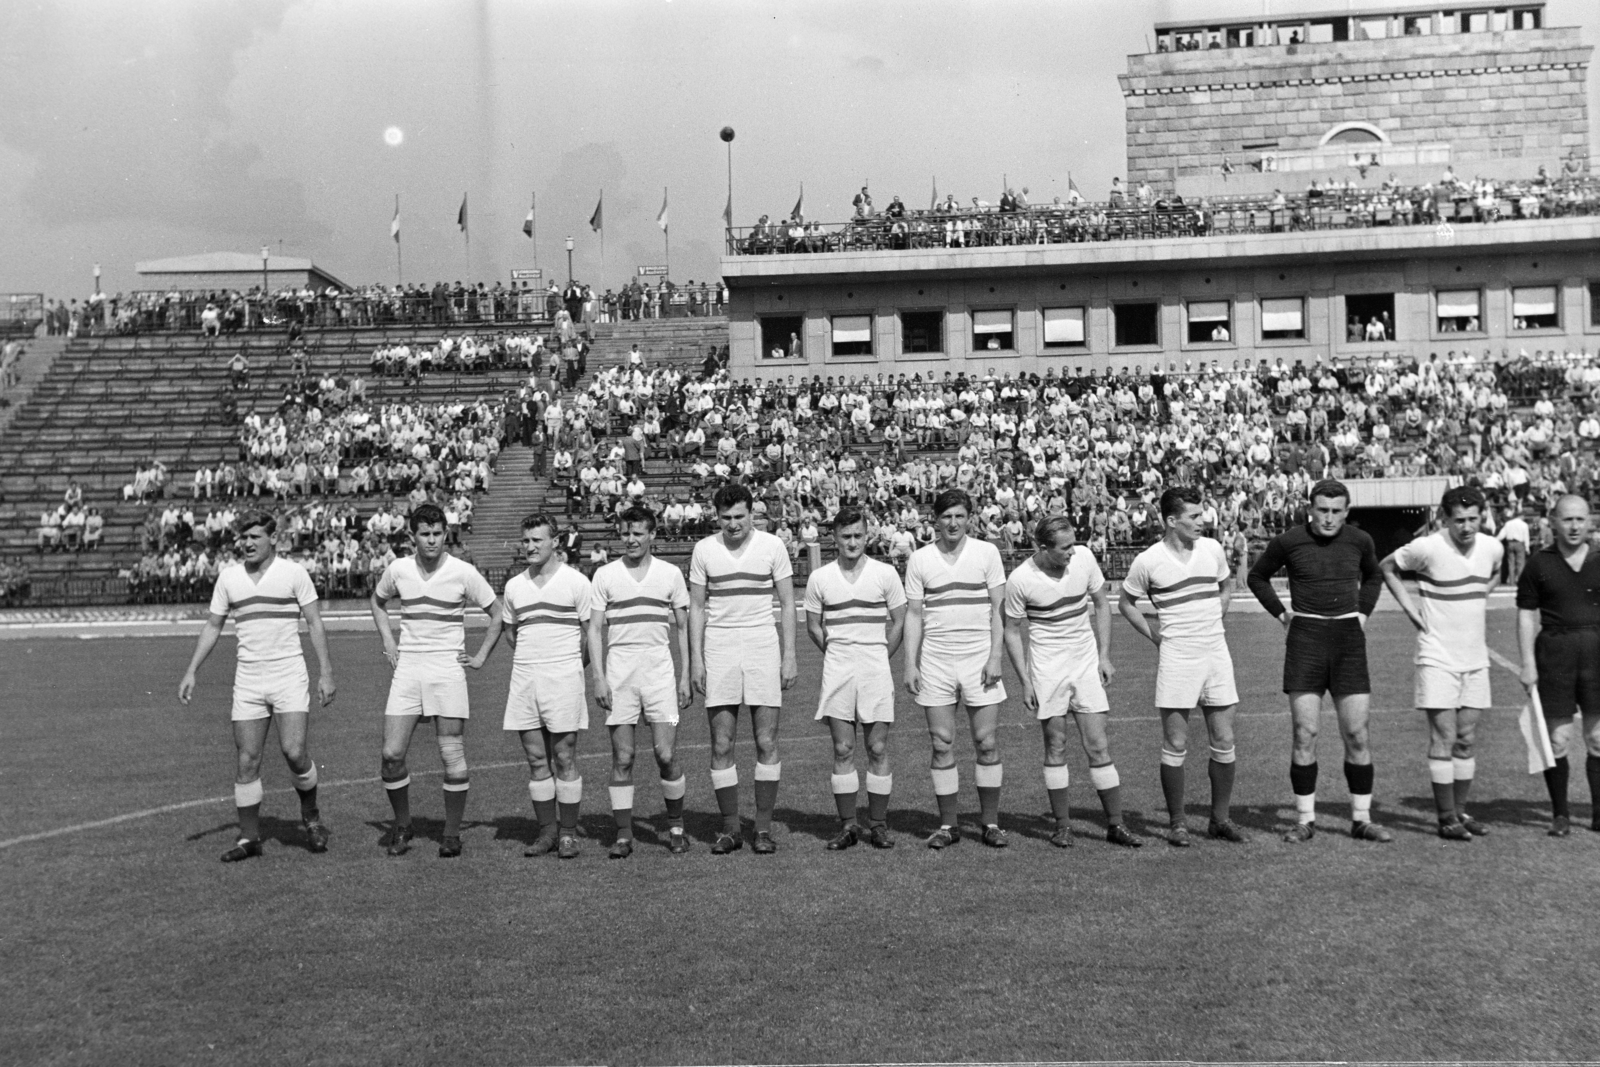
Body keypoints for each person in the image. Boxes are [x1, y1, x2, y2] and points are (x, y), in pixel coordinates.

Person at [178, 509, 337, 862]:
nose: (247, 543)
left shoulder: (293, 573)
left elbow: (314, 622)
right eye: (243, 538)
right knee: (247, 760)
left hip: (288, 674)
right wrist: (192, 670)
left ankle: (311, 819)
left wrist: (325, 672)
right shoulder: (229, 578)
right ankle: (250, 839)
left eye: (255, 537)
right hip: (248, 678)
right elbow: (213, 626)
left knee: (294, 752)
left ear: (273, 539)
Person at [1248, 479, 1389, 843]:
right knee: (1305, 733)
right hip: (1306, 640)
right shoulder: (1289, 541)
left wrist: (1363, 613)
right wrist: (1282, 614)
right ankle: (1305, 819)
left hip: (1348, 641)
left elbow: (1375, 575)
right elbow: (1257, 576)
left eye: (1336, 511)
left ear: (1346, 512)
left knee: (1357, 734)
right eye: (1322, 510)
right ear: (1309, 508)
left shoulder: (1360, 541)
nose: (1328, 519)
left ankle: (1361, 819)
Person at [370, 503, 500, 859]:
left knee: (452, 753)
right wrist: (388, 640)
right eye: (424, 534)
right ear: (413, 537)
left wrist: (480, 656)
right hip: (409, 668)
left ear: (446, 534)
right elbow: (378, 602)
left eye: (437, 534)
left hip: (447, 670)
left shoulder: (463, 572)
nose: (431, 541)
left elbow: (497, 613)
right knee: (391, 754)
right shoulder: (398, 569)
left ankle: (452, 832)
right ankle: (402, 824)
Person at [1119, 487, 1248, 846]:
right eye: (1194, 516)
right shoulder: (1148, 560)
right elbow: (1126, 603)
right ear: (1172, 521)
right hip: (1178, 657)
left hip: (1216, 653)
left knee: (1224, 739)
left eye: (1202, 513)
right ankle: (1177, 823)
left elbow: (1226, 586)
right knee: (1176, 742)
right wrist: (1156, 637)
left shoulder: (1212, 549)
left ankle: (1219, 819)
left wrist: (1217, 613)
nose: (1202, 520)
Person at [1003, 513, 1140, 848]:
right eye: (1064, 548)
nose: (1072, 553)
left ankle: (1116, 825)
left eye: (1073, 544)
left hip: (1085, 664)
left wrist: (1104, 655)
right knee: (1056, 746)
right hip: (1048, 670)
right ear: (1042, 547)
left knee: (1097, 744)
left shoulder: (1084, 558)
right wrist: (1025, 681)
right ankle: (1063, 826)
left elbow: (1102, 605)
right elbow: (1011, 631)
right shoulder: (1021, 580)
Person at [468, 512, 594, 858]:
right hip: (525, 679)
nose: (530, 546)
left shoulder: (576, 581)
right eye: (525, 541)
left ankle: (568, 832)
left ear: (555, 542)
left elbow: (593, 635)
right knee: (537, 759)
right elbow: (512, 634)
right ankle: (547, 832)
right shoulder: (514, 585)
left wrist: (571, 666)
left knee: (564, 757)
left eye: (537, 540)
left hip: (564, 679)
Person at [1380, 486, 1503, 840]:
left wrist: (1480, 595)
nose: (1466, 527)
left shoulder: (1491, 547)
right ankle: (1445, 817)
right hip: (1437, 655)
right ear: (1445, 519)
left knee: (1466, 738)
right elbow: (1387, 567)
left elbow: (1495, 571)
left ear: (1482, 516)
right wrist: (1410, 607)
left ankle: (1461, 813)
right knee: (1444, 736)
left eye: (1473, 519)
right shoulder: (1427, 547)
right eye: (1459, 520)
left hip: (1476, 658)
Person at [689, 483, 798, 854]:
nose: (733, 524)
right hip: (720, 647)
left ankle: (763, 829)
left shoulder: (772, 546)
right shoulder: (704, 549)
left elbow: (786, 602)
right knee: (722, 742)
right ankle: (730, 828)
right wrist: (697, 660)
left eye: (739, 516)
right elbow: (698, 609)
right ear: (715, 517)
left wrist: (789, 655)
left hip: (762, 645)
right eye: (725, 518)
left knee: (767, 740)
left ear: (752, 513)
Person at [903, 489, 1009, 849]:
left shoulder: (987, 552)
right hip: (936, 661)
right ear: (936, 519)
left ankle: (991, 824)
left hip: (979, 658)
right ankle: (948, 826)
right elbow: (914, 615)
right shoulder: (920, 559)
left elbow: (1000, 609)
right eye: (946, 516)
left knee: (987, 742)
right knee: (941, 743)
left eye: (960, 516)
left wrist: (996, 656)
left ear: (969, 518)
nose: (953, 523)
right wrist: (910, 664)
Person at [588, 505, 694, 857]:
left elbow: (683, 628)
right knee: (623, 756)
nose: (630, 539)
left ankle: (676, 826)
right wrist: (599, 677)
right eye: (625, 533)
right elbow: (594, 630)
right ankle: (623, 835)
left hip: (661, 677)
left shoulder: (670, 574)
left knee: (666, 753)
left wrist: (685, 674)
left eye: (637, 533)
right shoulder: (604, 575)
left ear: (652, 535)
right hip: (619, 678)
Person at [804, 507, 908, 851]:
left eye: (858, 536)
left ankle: (878, 825)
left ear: (868, 536)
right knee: (843, 747)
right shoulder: (820, 577)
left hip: (875, 668)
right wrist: (838, 653)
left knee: (877, 747)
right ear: (834, 537)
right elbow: (814, 627)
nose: (852, 542)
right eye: (845, 536)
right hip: (838, 669)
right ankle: (848, 826)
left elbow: (899, 623)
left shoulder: (885, 573)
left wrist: (877, 655)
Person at [1515, 495, 1600, 836]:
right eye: (1567, 520)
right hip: (1554, 654)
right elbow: (1524, 615)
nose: (1575, 526)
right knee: (1558, 738)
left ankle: (1598, 814)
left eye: (1581, 519)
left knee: (1597, 738)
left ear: (1591, 521)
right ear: (1552, 522)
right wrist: (1526, 663)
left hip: (1596, 652)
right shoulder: (1539, 563)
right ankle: (1560, 814)